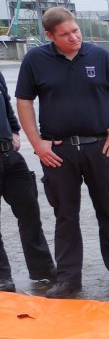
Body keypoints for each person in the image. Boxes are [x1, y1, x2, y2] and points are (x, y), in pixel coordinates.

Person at [15, 7, 109, 299]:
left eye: (76, 31)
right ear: (49, 36)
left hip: (101, 147)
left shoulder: (100, 57)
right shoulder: (36, 60)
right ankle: (69, 278)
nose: (74, 37)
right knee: (65, 216)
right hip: (58, 152)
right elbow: (24, 101)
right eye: (65, 34)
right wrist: (37, 143)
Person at [0, 72, 57, 293]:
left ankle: (42, 268)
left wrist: (14, 130)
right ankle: (2, 276)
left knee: (30, 213)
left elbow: (5, 103)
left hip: (9, 157)